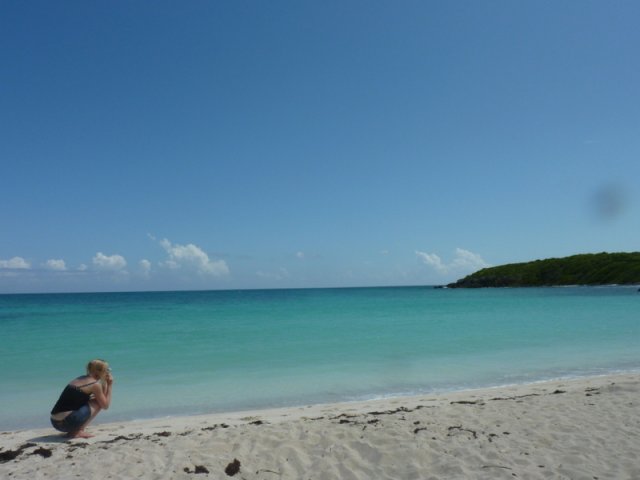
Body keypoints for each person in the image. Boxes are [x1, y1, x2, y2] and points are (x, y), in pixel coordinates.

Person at [50, 359, 114, 438]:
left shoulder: (80, 378)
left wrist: (104, 382)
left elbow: (102, 396)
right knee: (98, 403)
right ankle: (78, 431)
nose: (108, 372)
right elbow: (105, 406)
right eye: (106, 370)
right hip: (67, 423)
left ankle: (75, 430)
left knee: (96, 399)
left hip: (55, 422)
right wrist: (110, 385)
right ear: (99, 371)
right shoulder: (94, 384)